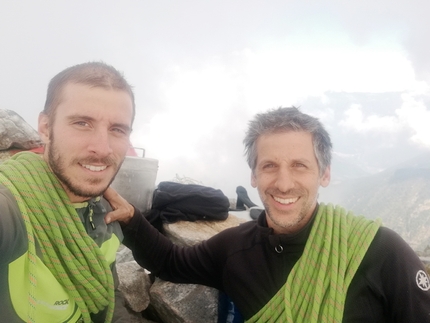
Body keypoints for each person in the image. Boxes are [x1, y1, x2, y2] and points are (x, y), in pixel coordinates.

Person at [106, 107, 430, 322]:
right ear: (254, 176)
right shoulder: (235, 249)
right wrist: (132, 218)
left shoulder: (382, 252)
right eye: (269, 166)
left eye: (300, 166)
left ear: (325, 174)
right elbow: (171, 262)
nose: (283, 183)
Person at [0, 62, 136, 323]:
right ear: (46, 127)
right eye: (82, 123)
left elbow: (105, 293)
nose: (103, 148)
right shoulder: (10, 209)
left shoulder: (105, 212)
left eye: (117, 129)